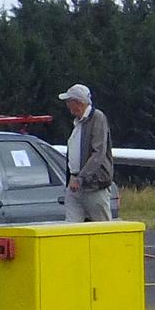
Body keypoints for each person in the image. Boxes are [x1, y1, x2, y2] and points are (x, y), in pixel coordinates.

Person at [59, 82, 114, 222]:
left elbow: (98, 153)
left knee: (102, 227)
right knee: (71, 228)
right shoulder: (78, 122)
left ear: (79, 102)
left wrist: (81, 177)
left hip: (94, 185)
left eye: (69, 101)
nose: (67, 106)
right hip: (74, 184)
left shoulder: (98, 118)